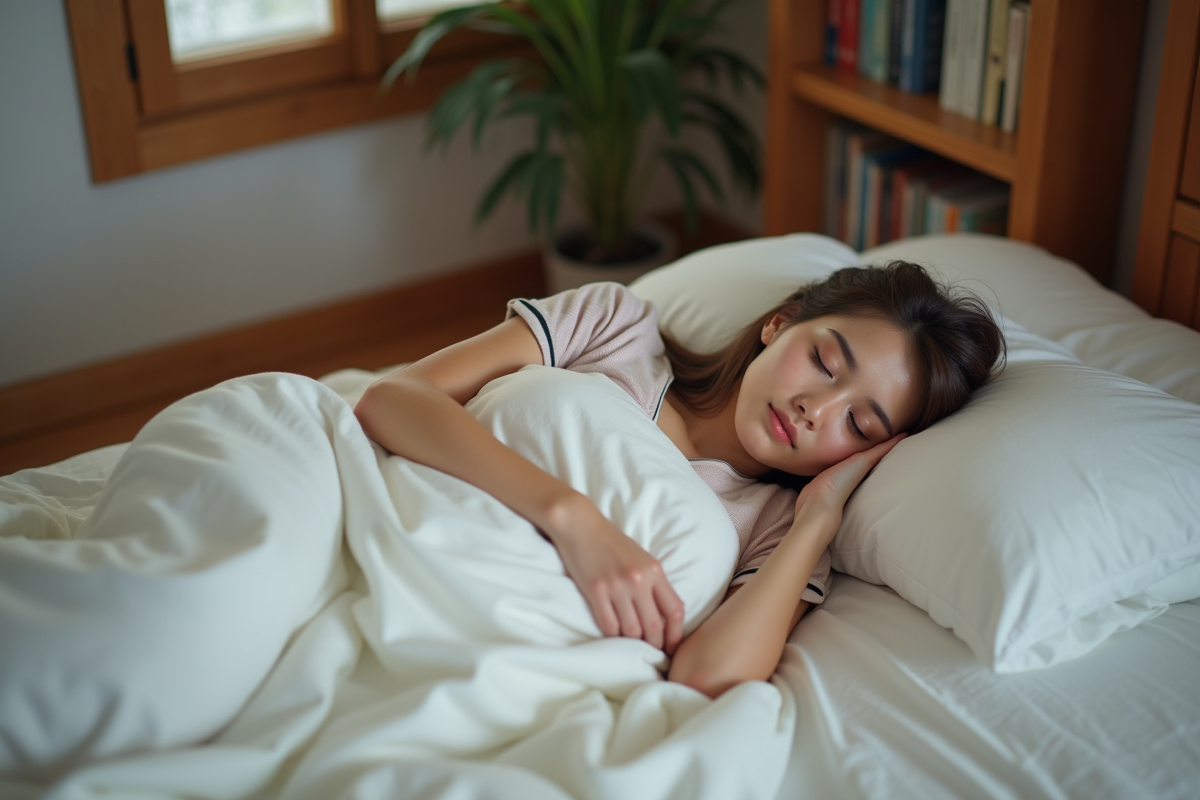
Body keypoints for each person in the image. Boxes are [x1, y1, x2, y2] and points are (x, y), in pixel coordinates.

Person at [354, 260, 1004, 699]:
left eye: (859, 424)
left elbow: (705, 676)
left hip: (490, 660)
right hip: (378, 535)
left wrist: (820, 520)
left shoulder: (777, 527)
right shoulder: (615, 331)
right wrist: (572, 517)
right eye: (824, 362)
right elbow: (392, 399)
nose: (817, 409)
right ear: (781, 323)